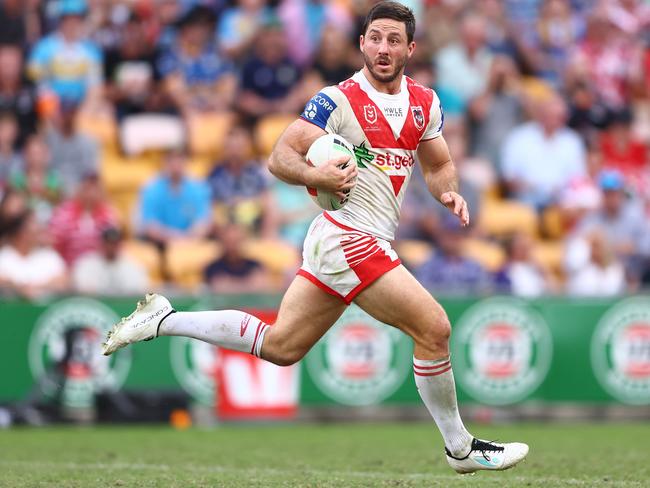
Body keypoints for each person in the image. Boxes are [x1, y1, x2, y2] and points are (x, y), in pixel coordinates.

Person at [102, 2, 528, 475]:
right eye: (375, 38)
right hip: (347, 235)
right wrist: (315, 172)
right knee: (434, 328)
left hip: (361, 240)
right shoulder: (336, 100)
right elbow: (280, 156)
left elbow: (439, 164)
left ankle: (165, 319)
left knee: (282, 346)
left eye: (393, 40)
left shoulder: (425, 103)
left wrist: (449, 193)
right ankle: (460, 448)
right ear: (361, 43)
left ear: (410, 48)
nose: (383, 49)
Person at [72, 226, 149, 296]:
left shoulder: (133, 266)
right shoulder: (87, 264)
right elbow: (83, 290)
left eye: (114, 244)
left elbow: (138, 291)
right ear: (102, 244)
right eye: (108, 243)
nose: (111, 247)